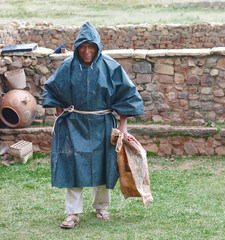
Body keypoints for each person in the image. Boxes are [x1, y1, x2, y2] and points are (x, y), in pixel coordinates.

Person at [42, 22, 144, 229]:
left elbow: (126, 95)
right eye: (83, 47)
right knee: (73, 166)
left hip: (103, 125)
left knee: (104, 165)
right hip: (74, 125)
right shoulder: (68, 67)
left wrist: (123, 127)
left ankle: (101, 207)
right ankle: (72, 213)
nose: (87, 51)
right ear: (77, 47)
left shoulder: (110, 67)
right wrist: (59, 111)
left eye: (91, 47)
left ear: (98, 47)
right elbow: (53, 90)